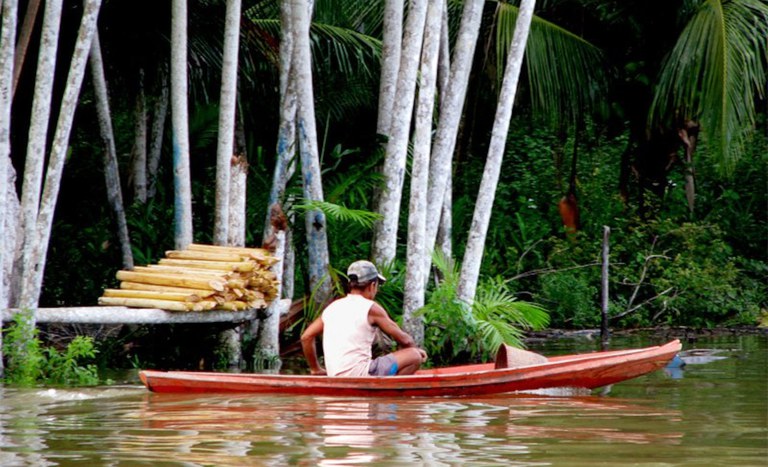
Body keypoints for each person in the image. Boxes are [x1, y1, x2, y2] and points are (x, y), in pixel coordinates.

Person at [301, 260, 427, 377]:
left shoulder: (333, 307)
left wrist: (315, 369)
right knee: (414, 355)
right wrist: (416, 352)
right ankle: (389, 392)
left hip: (335, 374)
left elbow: (306, 337)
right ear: (372, 285)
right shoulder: (371, 308)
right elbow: (405, 341)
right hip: (359, 373)